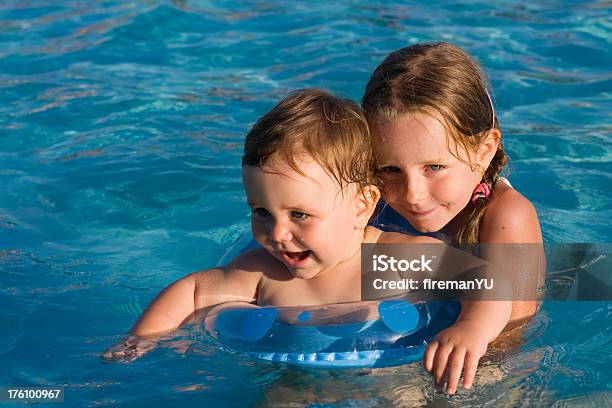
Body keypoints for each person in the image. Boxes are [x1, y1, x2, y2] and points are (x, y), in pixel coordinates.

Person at [104, 90, 511, 390]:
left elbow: (489, 282)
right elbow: (193, 292)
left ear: (362, 204)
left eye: (299, 214)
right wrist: (140, 341)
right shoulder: (265, 273)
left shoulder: (392, 259)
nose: (278, 234)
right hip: (296, 382)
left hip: (396, 379)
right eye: (261, 212)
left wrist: (473, 328)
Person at [362, 42, 544, 394]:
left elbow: (512, 335)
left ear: (483, 151)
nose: (412, 193)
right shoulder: (373, 201)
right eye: (390, 169)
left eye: (434, 167)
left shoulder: (507, 216)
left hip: (481, 371)